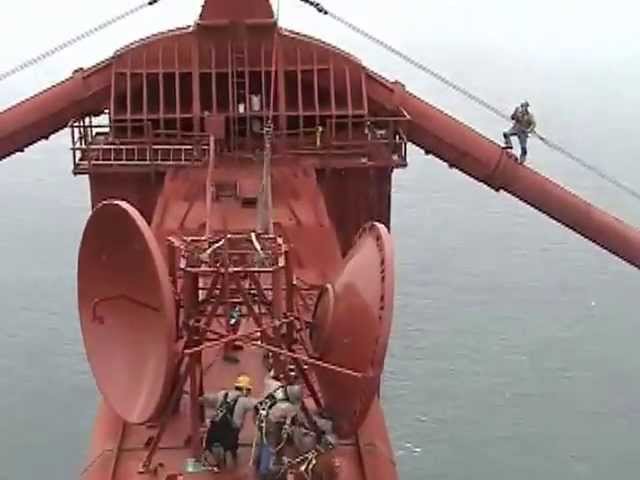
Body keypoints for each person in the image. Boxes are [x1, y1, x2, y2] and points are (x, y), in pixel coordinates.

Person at [199, 374, 258, 471]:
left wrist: (200, 399)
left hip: (214, 429)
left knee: (209, 447)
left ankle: (213, 461)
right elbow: (258, 403)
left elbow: (209, 399)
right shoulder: (244, 401)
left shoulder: (223, 394)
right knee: (231, 451)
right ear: (245, 389)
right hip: (230, 434)